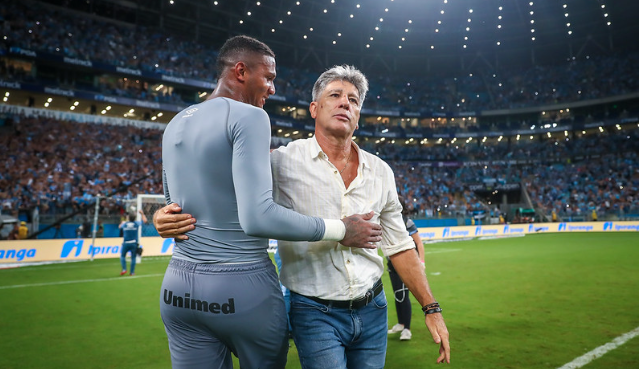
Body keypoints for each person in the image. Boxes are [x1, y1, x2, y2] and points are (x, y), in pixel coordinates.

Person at [156, 64, 451, 367]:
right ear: (314, 108)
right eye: (335, 95)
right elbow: (215, 185)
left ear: (359, 117)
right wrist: (164, 213)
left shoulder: (381, 171)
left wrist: (431, 308)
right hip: (314, 312)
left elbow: (400, 245)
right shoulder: (282, 162)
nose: (344, 103)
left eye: (353, 100)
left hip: (374, 308)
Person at [387, 197, 426, 341]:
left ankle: (407, 329)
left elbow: (418, 243)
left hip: (407, 264)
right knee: (398, 295)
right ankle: (401, 323)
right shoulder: (388, 221)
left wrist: (421, 261)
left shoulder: (407, 222)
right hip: (392, 264)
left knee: (404, 296)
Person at [119, 209, 147, 276]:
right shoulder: (136, 223)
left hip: (126, 243)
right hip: (134, 243)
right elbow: (145, 221)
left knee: (122, 256)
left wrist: (123, 222)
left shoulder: (125, 224)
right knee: (133, 258)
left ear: (128, 217)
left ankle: (124, 269)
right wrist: (142, 213)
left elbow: (119, 227)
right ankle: (132, 272)